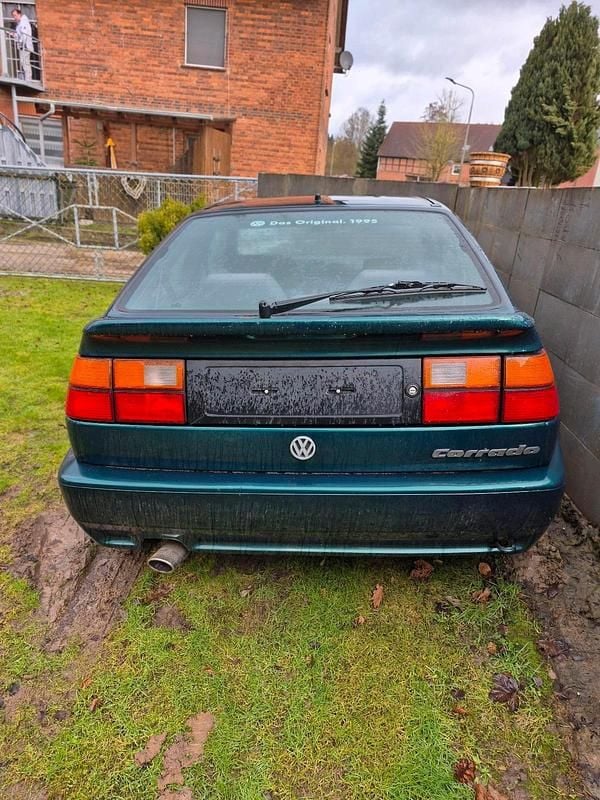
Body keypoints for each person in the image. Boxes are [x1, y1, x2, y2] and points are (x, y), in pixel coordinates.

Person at [11, 8, 33, 81]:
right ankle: (26, 78)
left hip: (25, 46)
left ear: (19, 14)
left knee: (25, 63)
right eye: (13, 16)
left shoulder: (24, 22)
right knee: (23, 62)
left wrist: (20, 42)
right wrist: (14, 35)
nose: (14, 18)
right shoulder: (19, 24)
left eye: (15, 15)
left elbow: (24, 34)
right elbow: (20, 35)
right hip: (22, 46)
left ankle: (28, 79)